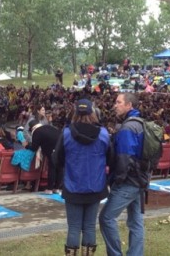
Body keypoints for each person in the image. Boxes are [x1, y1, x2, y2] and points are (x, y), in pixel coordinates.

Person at [53, 98, 113, 255]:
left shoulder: (66, 133)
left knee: (73, 226)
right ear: (92, 112)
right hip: (95, 185)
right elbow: (111, 158)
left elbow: (57, 158)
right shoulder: (103, 134)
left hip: (72, 185)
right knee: (89, 225)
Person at [99, 92, 147, 256]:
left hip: (128, 181)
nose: (115, 105)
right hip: (140, 179)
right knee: (136, 221)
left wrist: (117, 181)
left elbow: (124, 158)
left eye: (119, 102)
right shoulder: (141, 123)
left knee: (106, 218)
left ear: (129, 105)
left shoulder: (127, 128)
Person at [26, 117, 61, 194]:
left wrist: (26, 146)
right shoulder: (48, 127)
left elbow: (34, 147)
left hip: (52, 150)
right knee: (60, 168)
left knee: (52, 168)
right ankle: (57, 188)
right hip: (62, 147)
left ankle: (50, 188)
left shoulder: (37, 132)